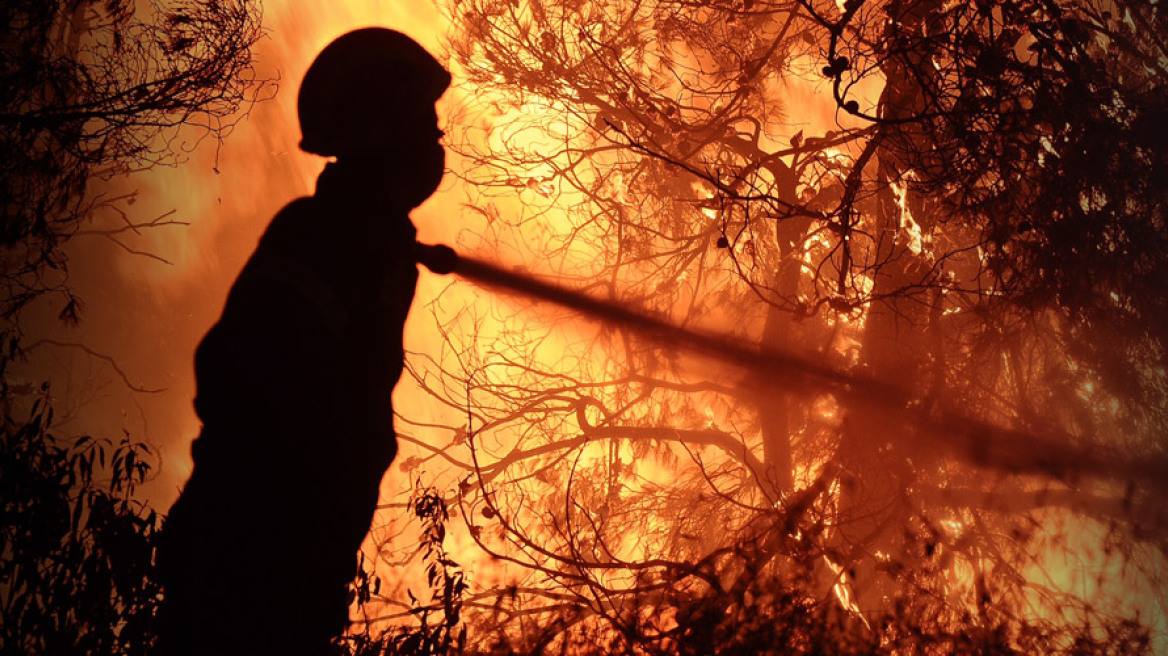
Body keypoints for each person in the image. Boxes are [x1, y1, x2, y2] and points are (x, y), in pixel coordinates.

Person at [155, 28, 450, 656]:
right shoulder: (319, 238)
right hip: (245, 569)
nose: (438, 140)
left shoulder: (376, 254)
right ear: (382, 126)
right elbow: (254, 376)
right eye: (426, 123)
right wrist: (298, 538)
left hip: (295, 574)